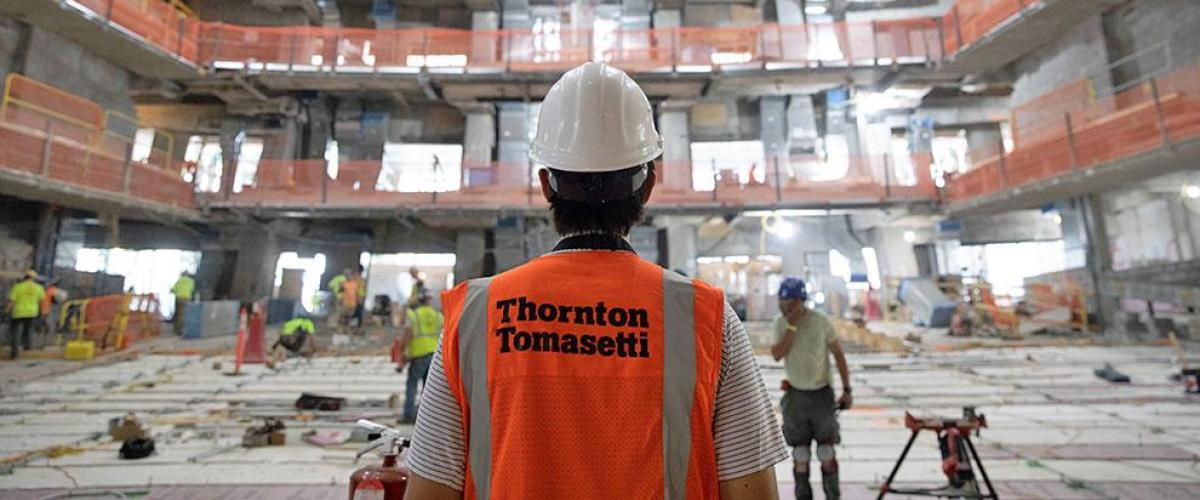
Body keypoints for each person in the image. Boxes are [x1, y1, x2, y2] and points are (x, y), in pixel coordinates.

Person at [404, 62, 786, 500]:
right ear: (648, 187)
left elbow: (429, 490)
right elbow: (753, 492)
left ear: (546, 185)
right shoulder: (708, 320)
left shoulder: (474, 316)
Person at [770, 277, 853, 500]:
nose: (784, 306)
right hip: (796, 396)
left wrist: (847, 389)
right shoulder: (781, 323)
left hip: (821, 396)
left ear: (798, 301)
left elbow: (838, 354)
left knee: (826, 452)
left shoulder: (820, 322)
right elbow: (777, 354)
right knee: (800, 455)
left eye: (788, 302)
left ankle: (833, 496)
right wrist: (792, 326)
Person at [396, 289, 443, 423]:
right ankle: (426, 418)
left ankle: (408, 415)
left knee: (412, 385)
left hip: (418, 355)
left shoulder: (414, 315)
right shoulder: (438, 316)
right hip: (434, 355)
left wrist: (402, 352)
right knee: (428, 389)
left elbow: (408, 334)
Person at [6, 271, 45, 359]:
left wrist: (6, 311)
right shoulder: (39, 288)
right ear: (34, 278)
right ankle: (27, 348)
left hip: (18, 312)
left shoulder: (18, 287)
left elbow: (12, 301)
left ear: (25, 277)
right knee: (28, 330)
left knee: (15, 332)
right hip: (32, 312)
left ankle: (14, 353)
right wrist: (42, 313)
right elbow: (41, 302)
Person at [171, 272, 195, 336]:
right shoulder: (191, 281)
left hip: (178, 298)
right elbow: (192, 290)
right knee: (182, 315)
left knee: (177, 313)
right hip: (185, 299)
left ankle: (175, 329)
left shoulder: (179, 280)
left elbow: (173, 290)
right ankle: (180, 331)